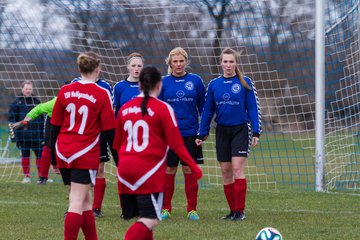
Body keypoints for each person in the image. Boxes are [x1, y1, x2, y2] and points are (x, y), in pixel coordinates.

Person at [113, 66, 203, 240]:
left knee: (142, 219)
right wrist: (195, 168)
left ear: (139, 85)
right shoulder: (163, 109)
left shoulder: (125, 109)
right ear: (159, 85)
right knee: (149, 220)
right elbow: (177, 145)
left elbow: (117, 144)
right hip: (148, 171)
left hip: (125, 170)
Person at [50, 51, 116, 240]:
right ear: (98, 69)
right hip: (83, 153)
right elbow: (109, 132)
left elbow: (54, 126)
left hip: (63, 150)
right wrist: (120, 159)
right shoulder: (102, 93)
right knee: (77, 201)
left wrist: (54, 158)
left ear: (79, 69)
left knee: (86, 201)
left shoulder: (65, 90)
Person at [196, 47, 261, 221]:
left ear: (236, 63)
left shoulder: (245, 82)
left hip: (240, 129)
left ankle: (240, 211)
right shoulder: (214, 85)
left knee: (237, 169)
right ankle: (232, 211)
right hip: (222, 130)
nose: (228, 65)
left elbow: (253, 108)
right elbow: (207, 111)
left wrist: (256, 131)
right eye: (225, 61)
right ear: (221, 63)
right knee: (225, 171)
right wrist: (202, 133)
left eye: (231, 61)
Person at [158, 47, 206, 220]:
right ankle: (165, 209)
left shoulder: (195, 80)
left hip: (190, 133)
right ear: (170, 63)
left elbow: (204, 106)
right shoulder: (163, 82)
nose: (178, 64)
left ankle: (192, 209)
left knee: (188, 169)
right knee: (169, 169)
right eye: (175, 61)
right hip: (169, 135)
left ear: (186, 62)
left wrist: (203, 129)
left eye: (181, 61)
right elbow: (158, 108)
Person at [72, 75, 118, 218]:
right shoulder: (74, 84)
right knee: (79, 170)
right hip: (81, 134)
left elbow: (111, 110)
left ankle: (96, 208)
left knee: (99, 169)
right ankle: (76, 206)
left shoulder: (105, 86)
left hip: (100, 134)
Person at [8, 80, 44, 183]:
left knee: (40, 155)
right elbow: (12, 120)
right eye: (26, 89)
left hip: (37, 135)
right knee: (25, 155)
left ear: (32, 89)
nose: (28, 91)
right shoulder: (15, 103)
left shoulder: (37, 102)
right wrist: (13, 136)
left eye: (30, 89)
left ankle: (41, 177)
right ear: (22, 89)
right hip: (23, 135)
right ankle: (27, 177)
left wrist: (43, 133)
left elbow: (43, 118)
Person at [24, 97, 57, 184]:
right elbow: (39, 108)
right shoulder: (55, 102)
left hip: (68, 124)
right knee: (48, 147)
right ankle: (43, 177)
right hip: (52, 123)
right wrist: (28, 117)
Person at [113, 52, 144, 117]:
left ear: (143, 67)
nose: (136, 68)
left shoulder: (148, 86)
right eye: (133, 65)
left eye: (139, 66)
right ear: (128, 66)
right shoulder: (119, 86)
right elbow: (116, 112)